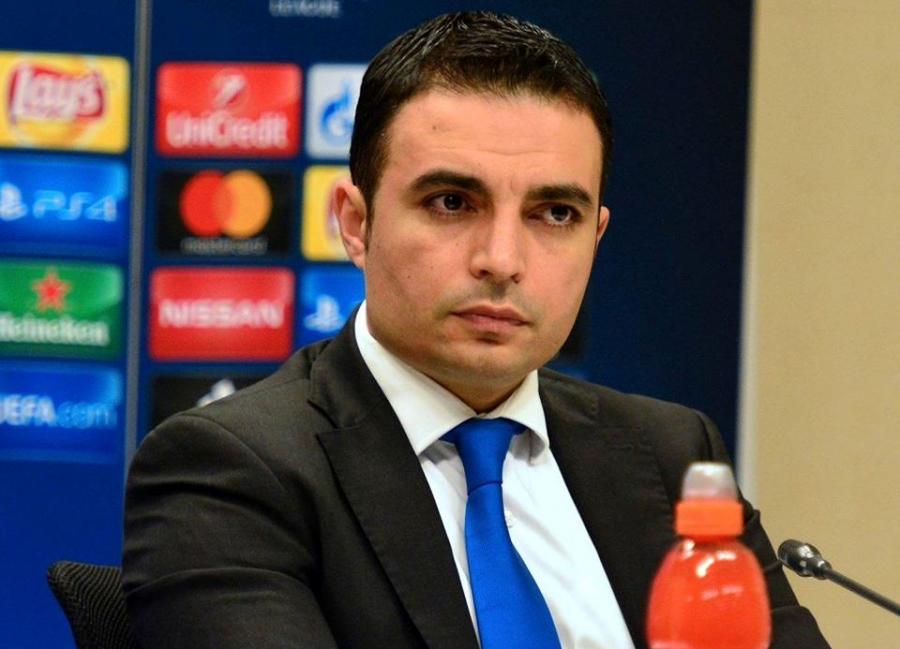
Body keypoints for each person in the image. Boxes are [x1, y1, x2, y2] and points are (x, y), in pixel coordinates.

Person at [123, 12, 830, 649]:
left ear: (595, 239)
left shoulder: (670, 454)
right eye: (452, 202)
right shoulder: (232, 471)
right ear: (356, 223)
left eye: (555, 214)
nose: (502, 259)